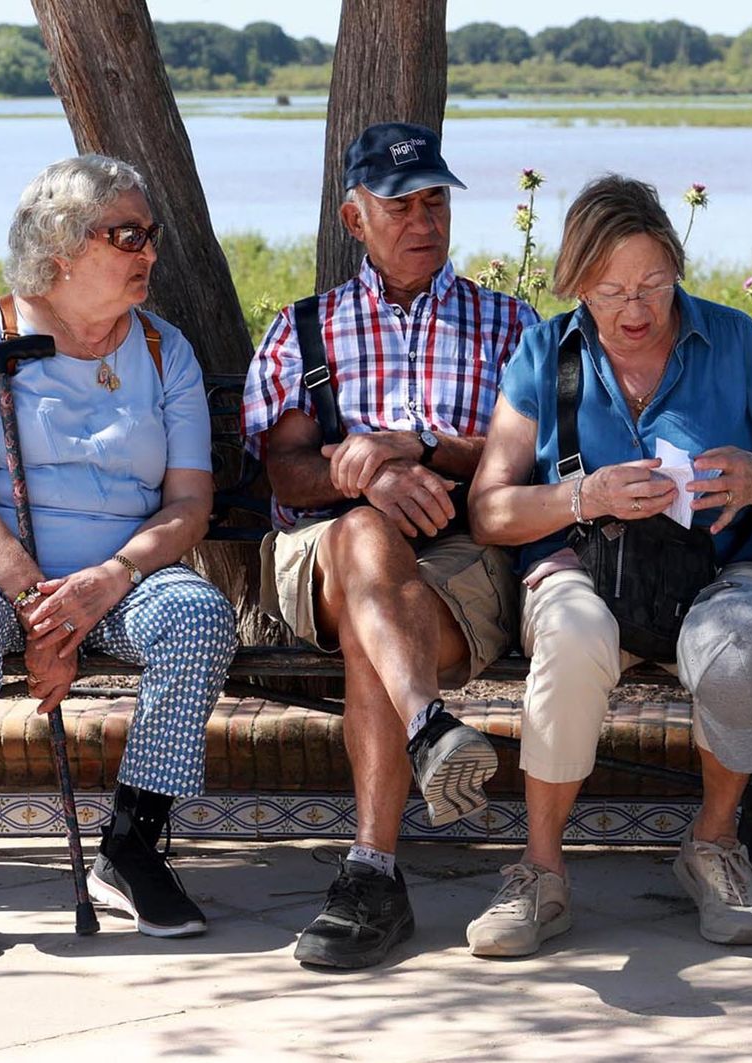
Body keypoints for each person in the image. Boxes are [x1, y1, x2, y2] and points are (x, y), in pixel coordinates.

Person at [466, 174, 752, 955]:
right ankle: (541, 874)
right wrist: (583, 495)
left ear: (677, 267)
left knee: (745, 645)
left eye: (653, 286)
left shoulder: (733, 342)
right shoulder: (544, 352)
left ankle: (710, 846)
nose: (635, 311)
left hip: (717, 572)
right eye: (609, 291)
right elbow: (491, 509)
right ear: (575, 282)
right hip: (584, 577)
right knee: (567, 641)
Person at [0, 154, 238, 967]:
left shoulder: (164, 351)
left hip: (116, 572)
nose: (148, 251)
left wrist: (110, 578)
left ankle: (132, 843)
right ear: (61, 249)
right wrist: (39, 606)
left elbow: (189, 504)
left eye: (149, 234)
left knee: (198, 615)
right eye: (127, 235)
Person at [243, 122, 539, 970]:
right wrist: (356, 470)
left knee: (373, 639)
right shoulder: (306, 330)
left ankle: (374, 876)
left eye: (436, 200)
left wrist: (422, 447)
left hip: (462, 562)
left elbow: (535, 463)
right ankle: (430, 724)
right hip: (320, 555)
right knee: (366, 533)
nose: (424, 220)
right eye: (400, 204)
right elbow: (286, 469)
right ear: (353, 217)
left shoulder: (508, 324)